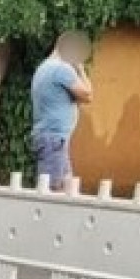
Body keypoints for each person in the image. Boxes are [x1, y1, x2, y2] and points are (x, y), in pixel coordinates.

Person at [30, 35, 93, 187]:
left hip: (52, 139)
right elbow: (88, 95)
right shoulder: (61, 69)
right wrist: (80, 70)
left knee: (67, 189)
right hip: (54, 140)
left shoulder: (44, 67)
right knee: (52, 190)